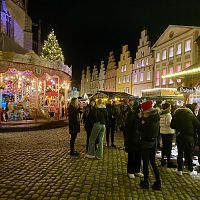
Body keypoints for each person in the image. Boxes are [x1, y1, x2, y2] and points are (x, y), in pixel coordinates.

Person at [171, 106, 200, 176]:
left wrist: (179, 128)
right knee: (189, 153)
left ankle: (180, 170)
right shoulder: (190, 115)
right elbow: (198, 124)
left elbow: (172, 125)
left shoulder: (176, 115)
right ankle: (190, 170)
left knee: (180, 153)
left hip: (180, 136)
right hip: (189, 136)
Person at [139, 100, 161, 190]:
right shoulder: (156, 117)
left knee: (145, 162)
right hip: (154, 141)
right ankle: (158, 181)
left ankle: (145, 182)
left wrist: (141, 119)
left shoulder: (146, 120)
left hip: (146, 142)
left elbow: (141, 129)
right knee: (153, 162)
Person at [124, 99, 143, 179]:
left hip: (139, 139)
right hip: (132, 138)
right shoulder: (132, 115)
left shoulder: (140, 117)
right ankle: (130, 171)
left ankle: (137, 170)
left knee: (138, 155)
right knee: (132, 155)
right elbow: (129, 128)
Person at [160, 102, 176, 168]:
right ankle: (169, 161)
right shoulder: (168, 115)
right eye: (170, 106)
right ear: (167, 107)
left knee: (164, 146)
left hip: (163, 132)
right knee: (169, 147)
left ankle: (163, 160)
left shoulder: (161, 114)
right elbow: (169, 124)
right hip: (168, 132)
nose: (171, 107)